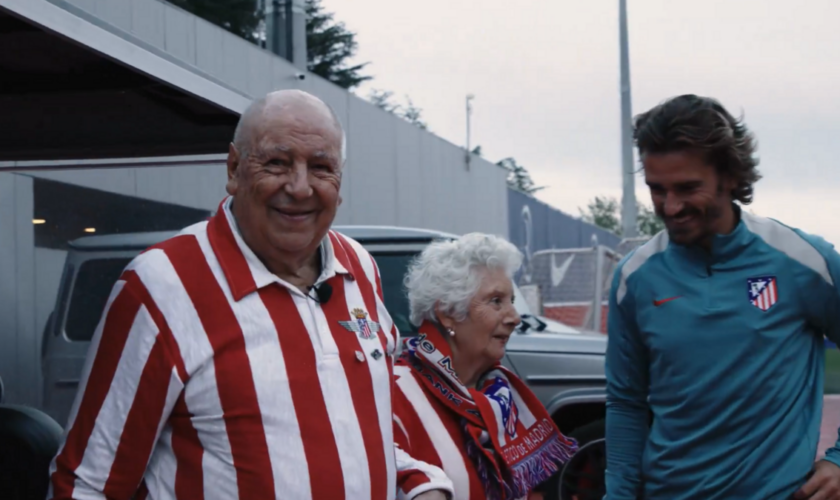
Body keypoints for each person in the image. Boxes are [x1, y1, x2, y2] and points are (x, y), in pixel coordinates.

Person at [47, 89, 454, 500]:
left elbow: (356, 434)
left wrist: (419, 483)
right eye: (277, 163)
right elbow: (86, 484)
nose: (299, 187)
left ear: (340, 180)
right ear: (234, 168)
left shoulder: (359, 267)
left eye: (320, 167)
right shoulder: (162, 284)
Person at [604, 94, 840, 499]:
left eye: (687, 188)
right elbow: (625, 403)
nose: (671, 206)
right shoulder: (634, 278)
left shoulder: (804, 261)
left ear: (730, 176)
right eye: (656, 189)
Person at [392, 233, 579, 500]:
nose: (514, 318)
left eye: (511, 301)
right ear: (448, 315)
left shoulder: (499, 393)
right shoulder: (395, 394)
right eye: (496, 301)